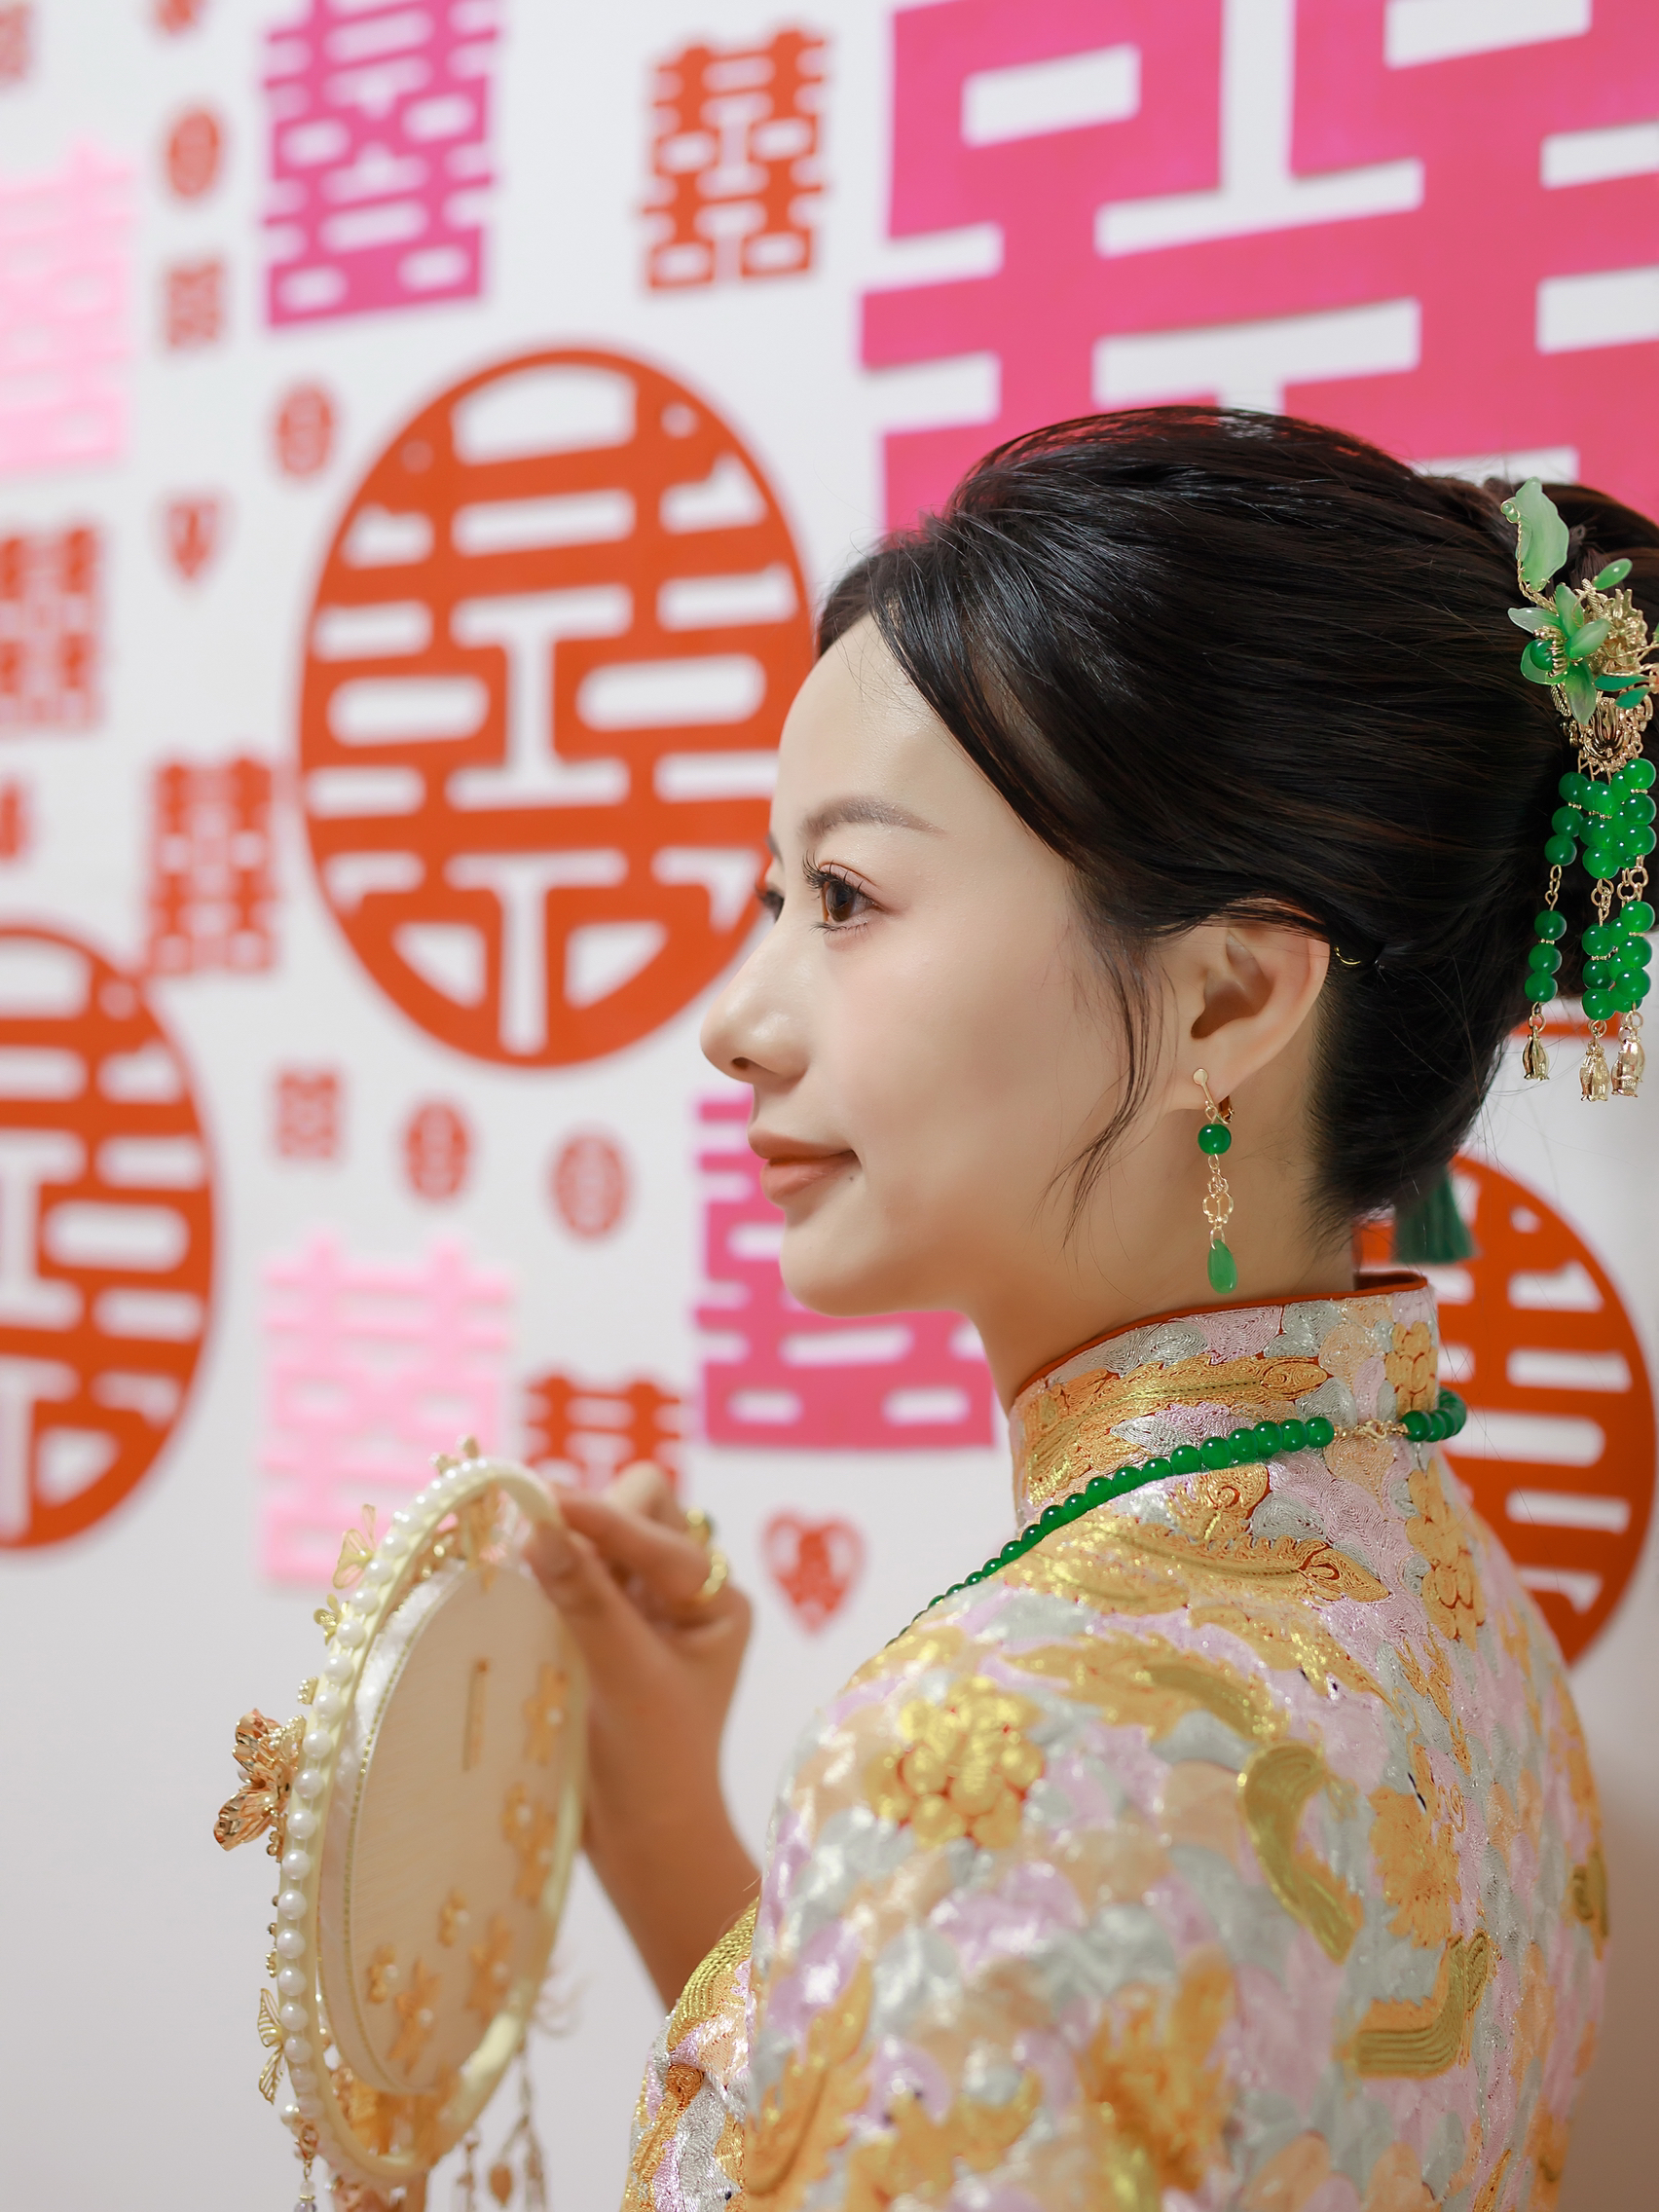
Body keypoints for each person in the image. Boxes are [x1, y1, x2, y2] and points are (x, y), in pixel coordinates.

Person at [528, 409, 1638, 2210]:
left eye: (844, 898)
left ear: (1226, 1004)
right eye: (771, 895)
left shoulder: (1006, 1741)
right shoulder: (1463, 1614)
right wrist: (660, 1815)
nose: (735, 1021)